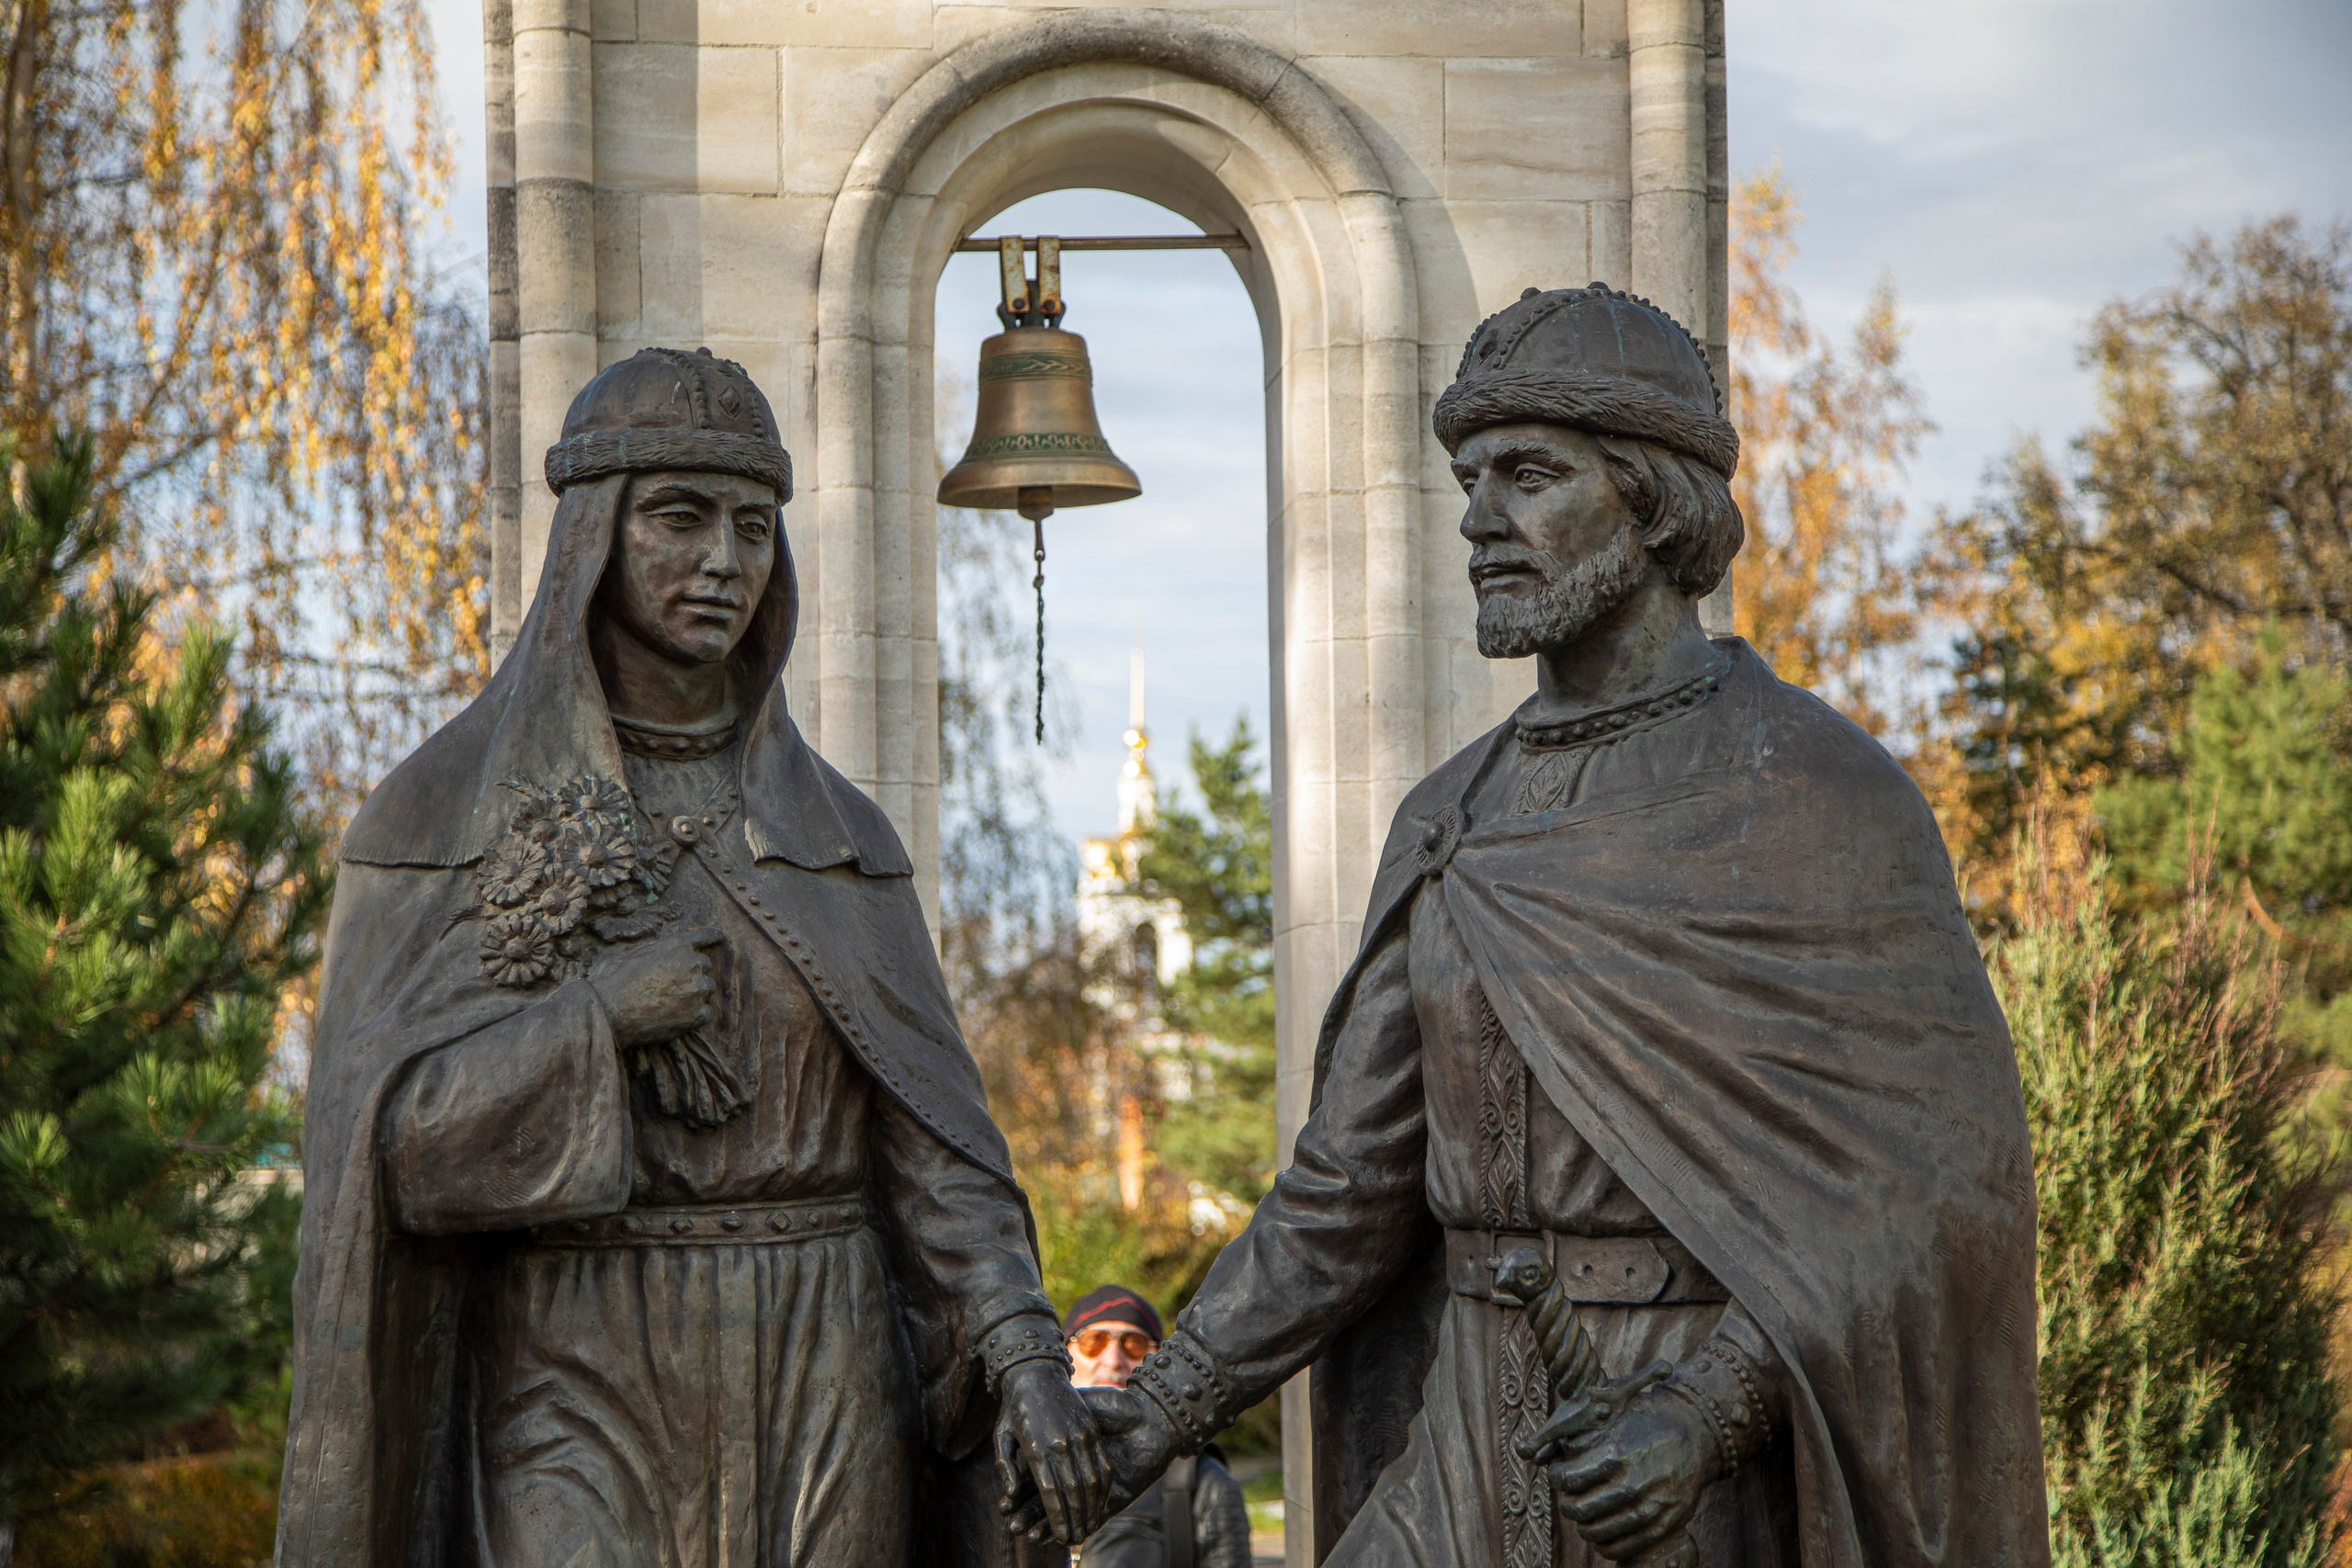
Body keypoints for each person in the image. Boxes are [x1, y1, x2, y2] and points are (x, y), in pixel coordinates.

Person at [1069, 286, 2049, 1566]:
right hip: (1468, 1445)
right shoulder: (1450, 817)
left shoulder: (1815, 794)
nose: (1480, 519)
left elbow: (1927, 1197)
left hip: (1684, 1461)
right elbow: (1345, 1192)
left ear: (1650, 500)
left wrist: (1706, 1414)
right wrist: (1157, 1406)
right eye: (1469, 479)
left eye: (1529, 476)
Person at [273, 347, 1110, 1568]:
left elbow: (937, 1152)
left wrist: (1028, 1352)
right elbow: (384, 1154)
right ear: (594, 539)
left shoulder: (835, 837)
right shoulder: (441, 817)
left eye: (755, 525)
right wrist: (597, 1016)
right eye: (679, 516)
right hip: (572, 1358)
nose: (723, 558)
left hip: (825, 1359)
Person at [1062, 1287, 1250, 1568]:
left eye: (1134, 1344)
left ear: (1158, 1364)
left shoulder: (1202, 1483)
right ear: (1065, 1357)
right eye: (1094, 1341)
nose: (1113, 1360)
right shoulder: (1015, 1470)